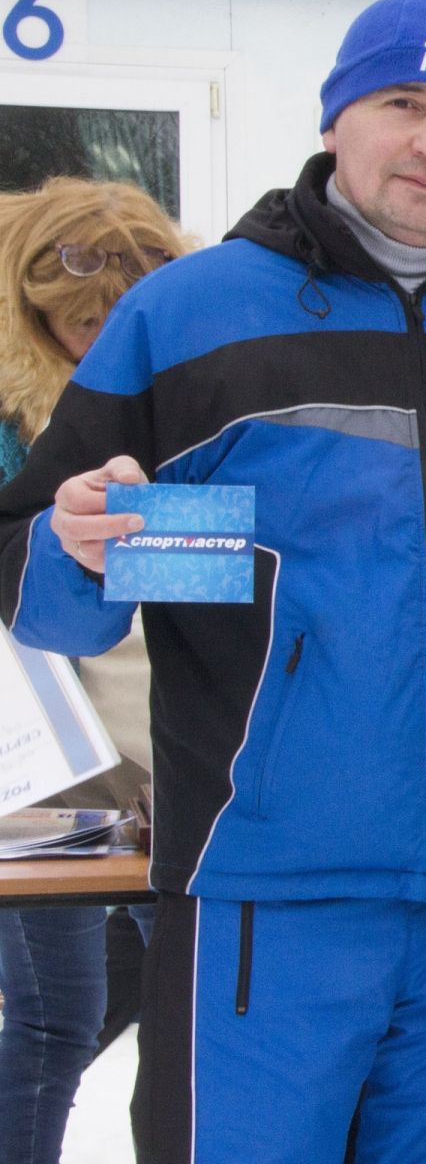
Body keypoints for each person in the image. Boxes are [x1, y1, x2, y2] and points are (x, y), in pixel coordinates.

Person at [0, 0, 426, 1163]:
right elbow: (31, 564)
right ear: (338, 112)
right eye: (404, 101)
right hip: (257, 898)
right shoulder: (185, 315)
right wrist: (70, 547)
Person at [0, 176, 184, 1164]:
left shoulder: (178, 389)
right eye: (74, 322)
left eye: (114, 317)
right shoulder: (11, 414)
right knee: (50, 1016)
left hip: (162, 750)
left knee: (180, 1013)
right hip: (35, 765)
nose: (95, 338)